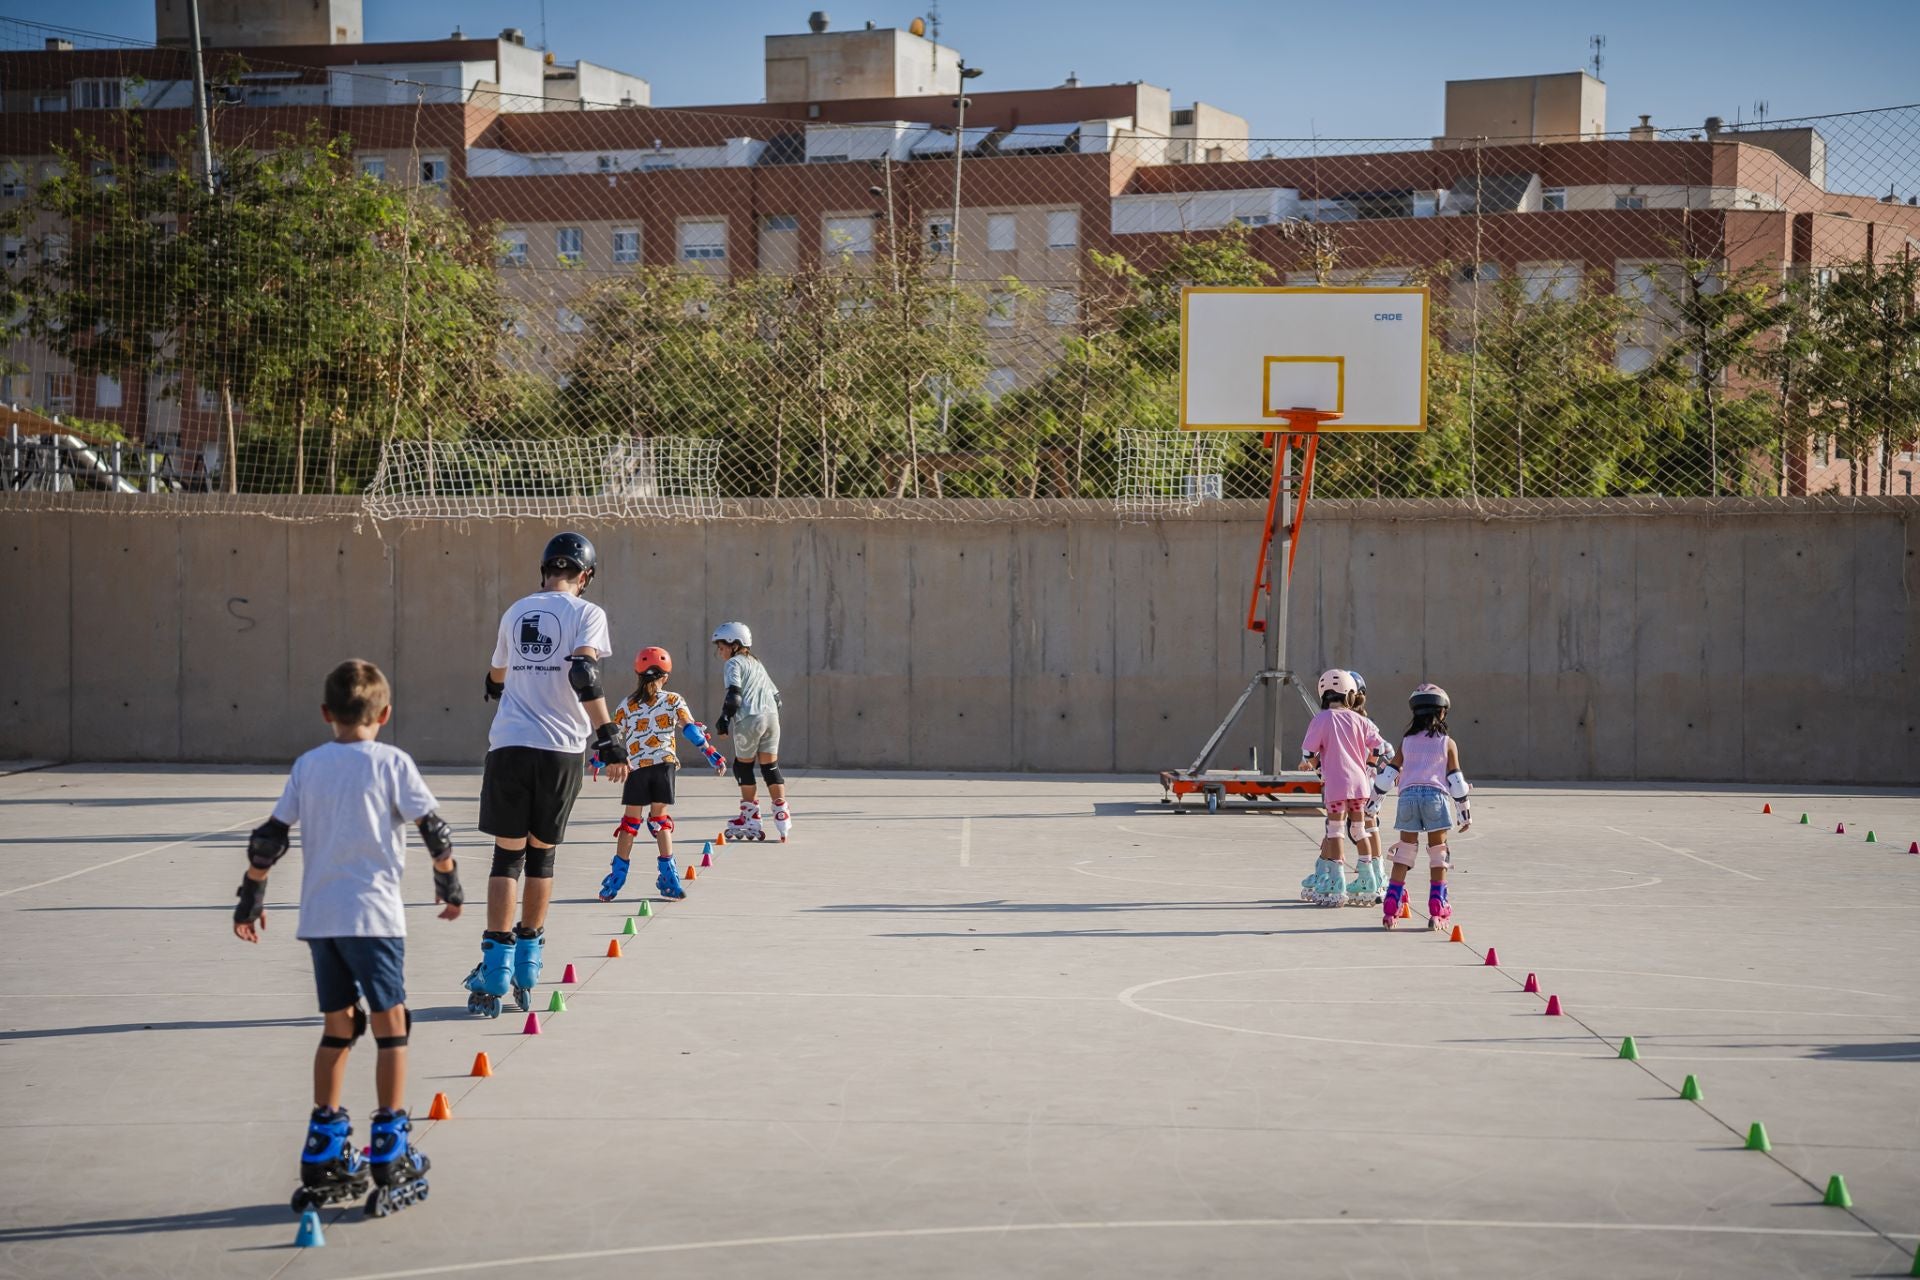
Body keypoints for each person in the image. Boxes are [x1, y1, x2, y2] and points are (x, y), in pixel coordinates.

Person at [231, 659, 462, 1217]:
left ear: (325, 713)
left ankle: (324, 1146)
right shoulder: (391, 762)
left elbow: (269, 838)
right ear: (384, 714)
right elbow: (433, 826)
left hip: (320, 919)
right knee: (391, 1025)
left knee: (339, 1027)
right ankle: (389, 1146)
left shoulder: (309, 765)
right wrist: (448, 880)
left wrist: (251, 895)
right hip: (374, 919)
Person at [468, 532, 623, 1018]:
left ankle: (494, 966)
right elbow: (584, 672)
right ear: (586, 576)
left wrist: (498, 687)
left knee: (505, 856)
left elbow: (496, 675)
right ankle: (529, 963)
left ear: (544, 569)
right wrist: (608, 735)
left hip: (510, 745)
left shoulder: (516, 610)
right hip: (559, 751)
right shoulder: (586, 613)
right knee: (542, 857)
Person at [598, 646, 726, 903]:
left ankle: (615, 881)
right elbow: (690, 730)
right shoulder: (673, 700)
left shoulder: (627, 704)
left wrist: (599, 758)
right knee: (659, 820)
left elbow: (613, 735)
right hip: (664, 765)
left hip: (637, 768)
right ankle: (670, 880)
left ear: (637, 673)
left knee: (630, 824)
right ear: (665, 676)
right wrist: (711, 753)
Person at [1374, 683, 1474, 932]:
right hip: (1435, 798)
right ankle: (1437, 909)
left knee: (1404, 854)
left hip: (1407, 798)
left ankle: (1390, 909)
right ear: (1442, 713)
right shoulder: (1447, 743)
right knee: (1438, 854)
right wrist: (1464, 812)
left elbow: (1389, 774)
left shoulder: (1406, 741)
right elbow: (1456, 781)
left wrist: (1373, 802)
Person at [1298, 668, 1386, 908]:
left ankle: (1336, 880)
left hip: (1336, 785)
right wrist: (1369, 766)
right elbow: (1379, 747)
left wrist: (1317, 770)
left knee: (1335, 830)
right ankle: (1368, 877)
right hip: (1360, 785)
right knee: (1359, 830)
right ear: (1349, 693)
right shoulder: (1361, 720)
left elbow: (1308, 752)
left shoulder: (1321, 719)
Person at [710, 622, 791, 842]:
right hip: (772, 718)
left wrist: (725, 718)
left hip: (750, 719)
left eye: (721, 647)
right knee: (770, 767)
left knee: (743, 767)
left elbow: (734, 694)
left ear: (734, 645)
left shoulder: (734, 664)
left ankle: (750, 817)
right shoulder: (757, 664)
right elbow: (777, 698)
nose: (720, 651)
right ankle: (782, 814)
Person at [1345, 672, 1391, 907]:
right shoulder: (1365, 721)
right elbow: (1388, 751)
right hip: (1371, 782)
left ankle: (1371, 876)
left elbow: (1385, 750)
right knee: (1369, 825)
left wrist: (1371, 767)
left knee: (1359, 827)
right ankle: (1377, 873)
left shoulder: (1348, 722)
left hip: (1361, 782)